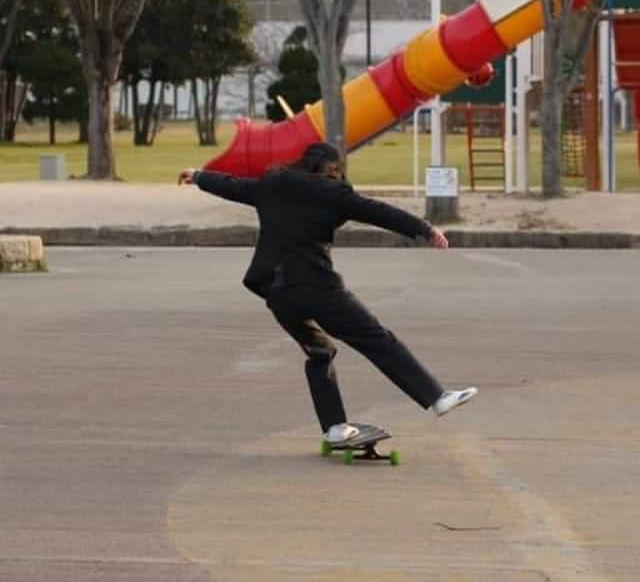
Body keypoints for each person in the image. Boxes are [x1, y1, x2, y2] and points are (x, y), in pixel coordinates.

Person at [178, 142, 476, 445]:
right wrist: (425, 229)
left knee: (320, 353)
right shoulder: (333, 193)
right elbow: (378, 212)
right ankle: (435, 397)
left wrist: (199, 176)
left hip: (277, 293)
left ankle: (334, 427)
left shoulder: (272, 184)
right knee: (376, 339)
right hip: (318, 288)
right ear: (332, 169)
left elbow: (234, 186)